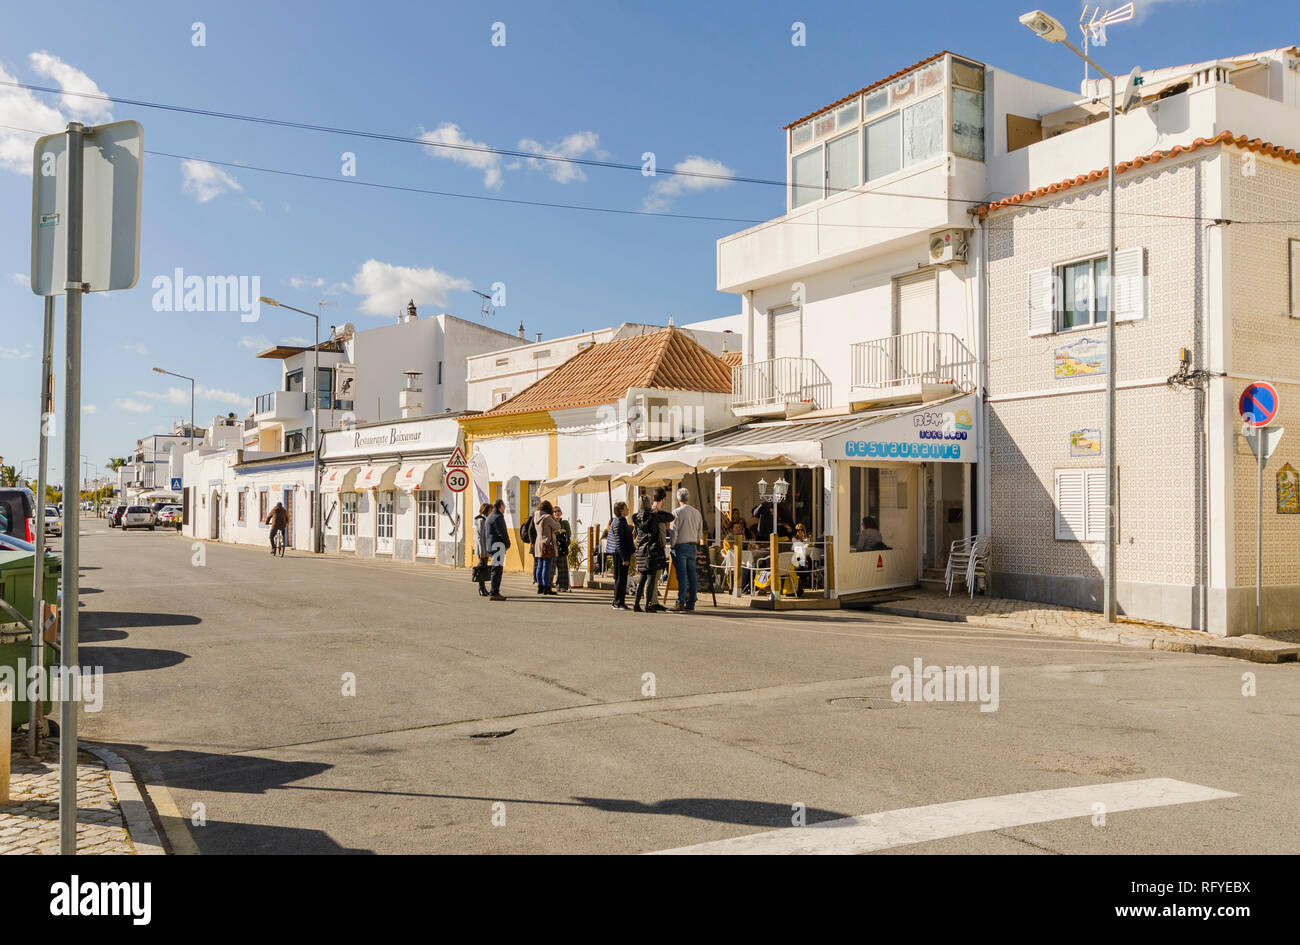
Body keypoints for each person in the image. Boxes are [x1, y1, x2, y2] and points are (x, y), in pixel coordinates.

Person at [632, 489, 673, 613]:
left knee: (643, 578)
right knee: (651, 578)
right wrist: (657, 512)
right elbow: (670, 517)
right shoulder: (654, 516)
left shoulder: (636, 517)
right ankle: (648, 604)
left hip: (641, 550)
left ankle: (636, 603)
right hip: (652, 550)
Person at [670, 487, 703, 612]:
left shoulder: (677, 512)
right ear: (688, 498)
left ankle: (681, 601)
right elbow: (700, 532)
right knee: (692, 575)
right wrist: (696, 540)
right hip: (693, 545)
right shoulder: (696, 512)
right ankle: (692, 601)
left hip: (680, 546)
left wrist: (672, 545)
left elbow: (674, 532)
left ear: (678, 498)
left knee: (682, 576)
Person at [605, 501, 633, 610]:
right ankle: (617, 602)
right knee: (620, 579)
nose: (628, 509)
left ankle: (621, 601)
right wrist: (624, 557)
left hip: (623, 553)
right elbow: (619, 542)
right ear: (621, 510)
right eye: (626, 508)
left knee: (623, 579)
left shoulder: (622, 521)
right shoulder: (618, 523)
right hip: (619, 554)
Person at [532, 500, 562, 595]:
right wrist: (555, 518)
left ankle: (540, 586)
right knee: (546, 566)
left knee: (539, 565)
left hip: (538, 543)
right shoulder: (548, 517)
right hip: (547, 543)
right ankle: (546, 587)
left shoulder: (536, 516)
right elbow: (557, 526)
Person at [484, 499, 511, 600]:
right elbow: (502, 533)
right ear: (500, 506)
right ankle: (494, 592)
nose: (505, 508)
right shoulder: (498, 517)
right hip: (498, 545)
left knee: (496, 569)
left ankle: (494, 591)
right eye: (504, 506)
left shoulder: (490, 516)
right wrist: (507, 544)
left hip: (492, 545)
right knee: (497, 570)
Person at [473, 502, 491, 597]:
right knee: (481, 568)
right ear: (486, 510)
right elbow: (480, 537)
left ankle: (483, 588)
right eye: (490, 510)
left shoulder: (485, 519)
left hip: (484, 548)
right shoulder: (481, 520)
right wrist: (482, 551)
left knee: (483, 567)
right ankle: (481, 588)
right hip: (482, 549)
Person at [552, 507, 572, 592]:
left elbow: (568, 533)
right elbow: (552, 532)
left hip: (562, 547)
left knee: (563, 568)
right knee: (552, 567)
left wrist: (558, 531)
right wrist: (561, 531)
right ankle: (552, 584)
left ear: (561, 513)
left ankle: (563, 585)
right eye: (555, 511)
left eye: (558, 511)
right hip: (553, 547)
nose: (557, 512)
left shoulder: (565, 522)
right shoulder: (551, 522)